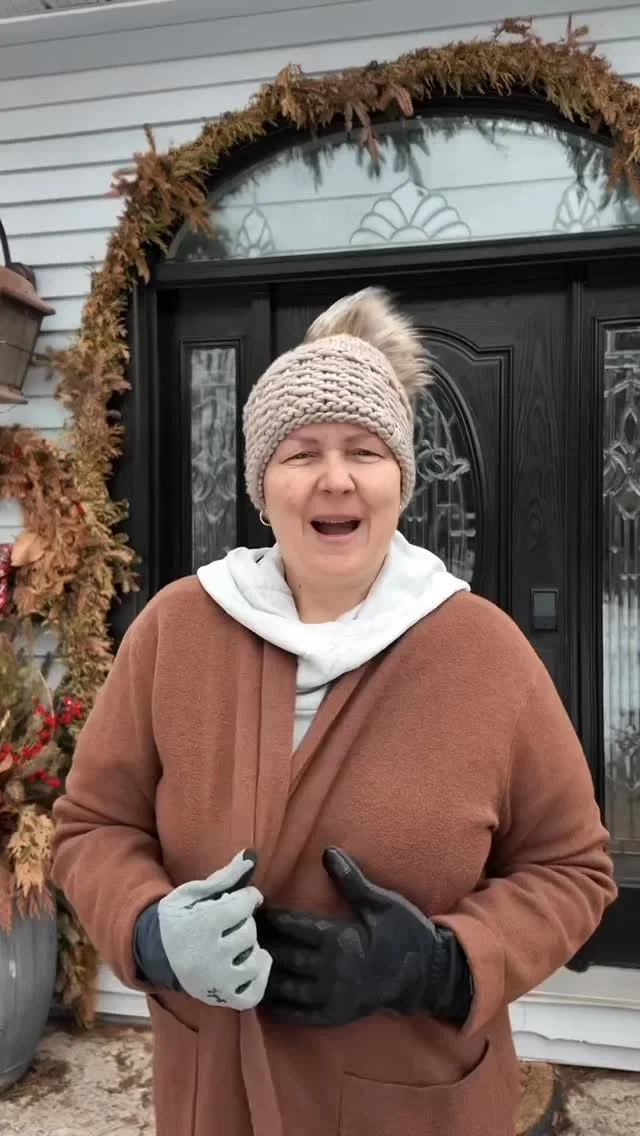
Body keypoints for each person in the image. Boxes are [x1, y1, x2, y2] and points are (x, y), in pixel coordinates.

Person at [51, 288, 617, 1136]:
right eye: (301, 452)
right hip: (217, 1097)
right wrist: (149, 932)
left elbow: (572, 870)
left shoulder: (485, 652)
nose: (336, 478)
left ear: (401, 480)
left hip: (414, 1105)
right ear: (261, 485)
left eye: (365, 450)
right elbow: (93, 825)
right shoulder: (177, 630)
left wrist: (443, 966)